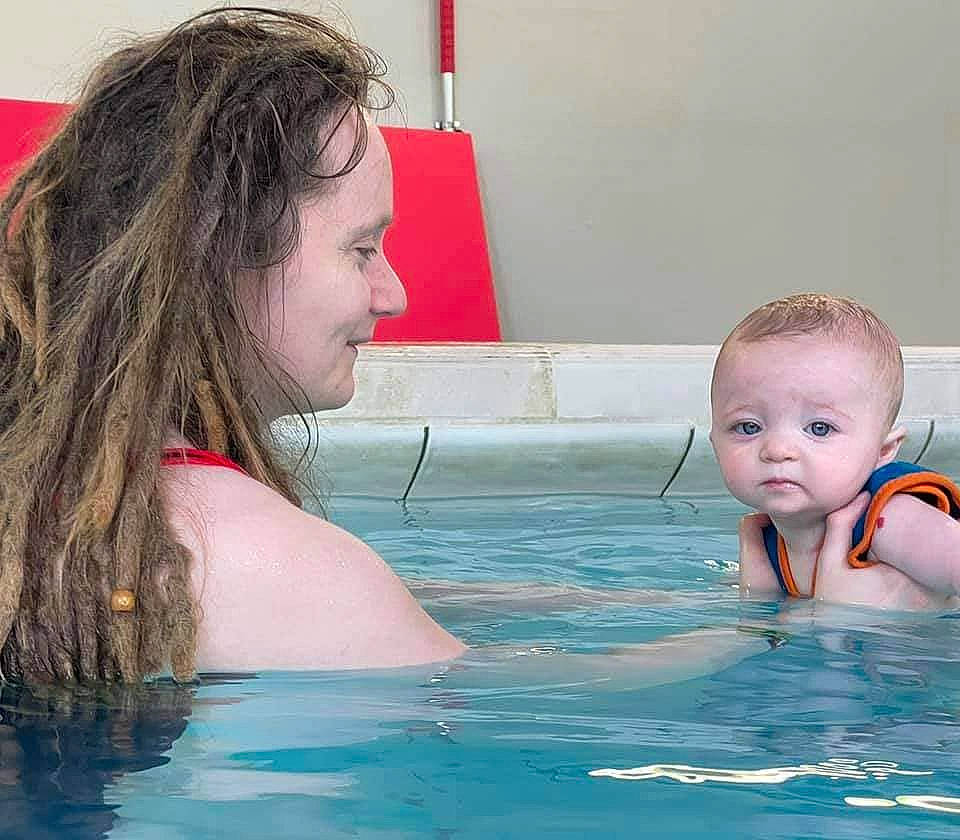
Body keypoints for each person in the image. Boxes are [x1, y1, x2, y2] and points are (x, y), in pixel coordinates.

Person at [0, 7, 465, 684]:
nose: (393, 295)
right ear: (216, 260)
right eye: (361, 248)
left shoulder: (42, 516)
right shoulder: (297, 576)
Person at [710, 293, 960, 609]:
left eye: (819, 428)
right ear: (714, 443)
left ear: (883, 451)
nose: (777, 450)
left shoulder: (890, 521)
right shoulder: (774, 541)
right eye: (748, 427)